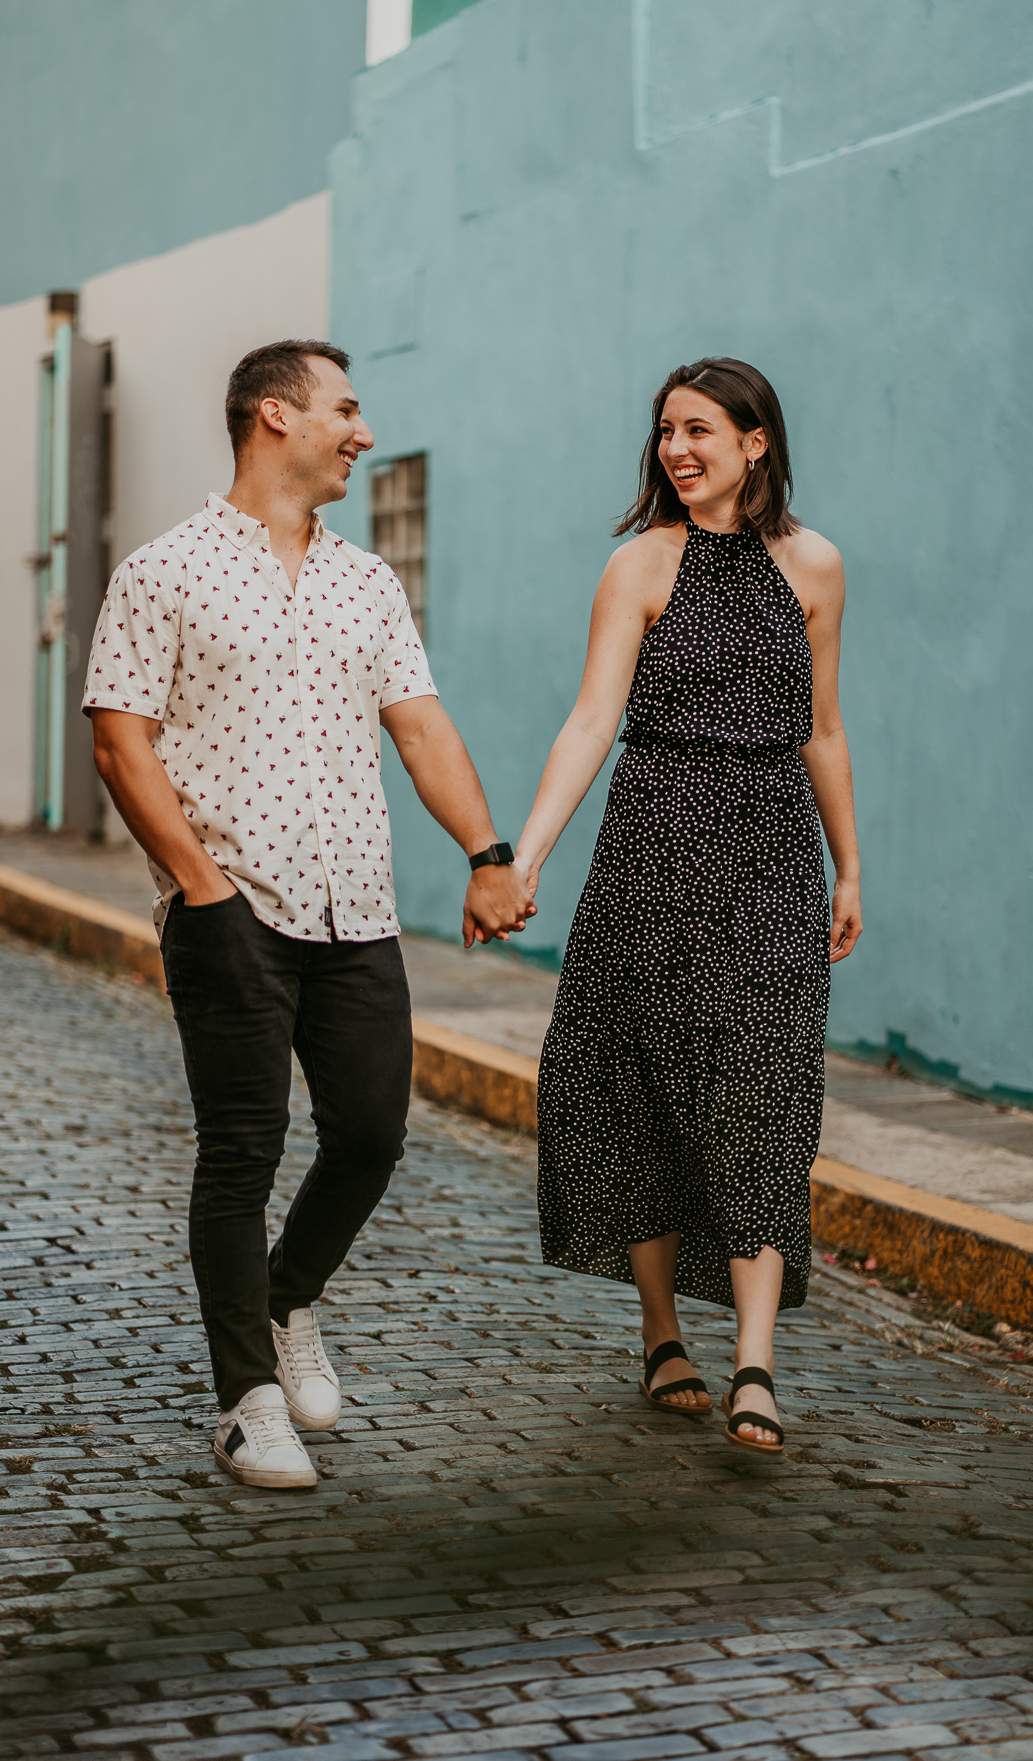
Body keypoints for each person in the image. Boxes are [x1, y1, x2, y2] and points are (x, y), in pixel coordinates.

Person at [84, 339, 532, 1489]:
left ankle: (289, 1302)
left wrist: (486, 853)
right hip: (228, 905)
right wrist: (200, 886)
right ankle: (246, 1401)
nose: (363, 432)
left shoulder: (366, 580)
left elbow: (421, 729)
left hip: (357, 911)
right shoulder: (164, 570)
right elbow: (121, 741)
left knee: (374, 1132)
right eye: (347, 408)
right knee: (242, 1151)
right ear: (274, 416)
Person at [513, 358, 861, 1455]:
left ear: (757, 441)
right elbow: (588, 723)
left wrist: (849, 868)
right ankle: (663, 1332)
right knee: (635, 1090)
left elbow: (824, 728)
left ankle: (756, 1360)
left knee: (765, 1094)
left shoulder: (816, 567)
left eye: (700, 429)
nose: (677, 448)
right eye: (666, 430)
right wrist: (521, 859)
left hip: (770, 861)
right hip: (652, 853)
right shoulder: (641, 565)